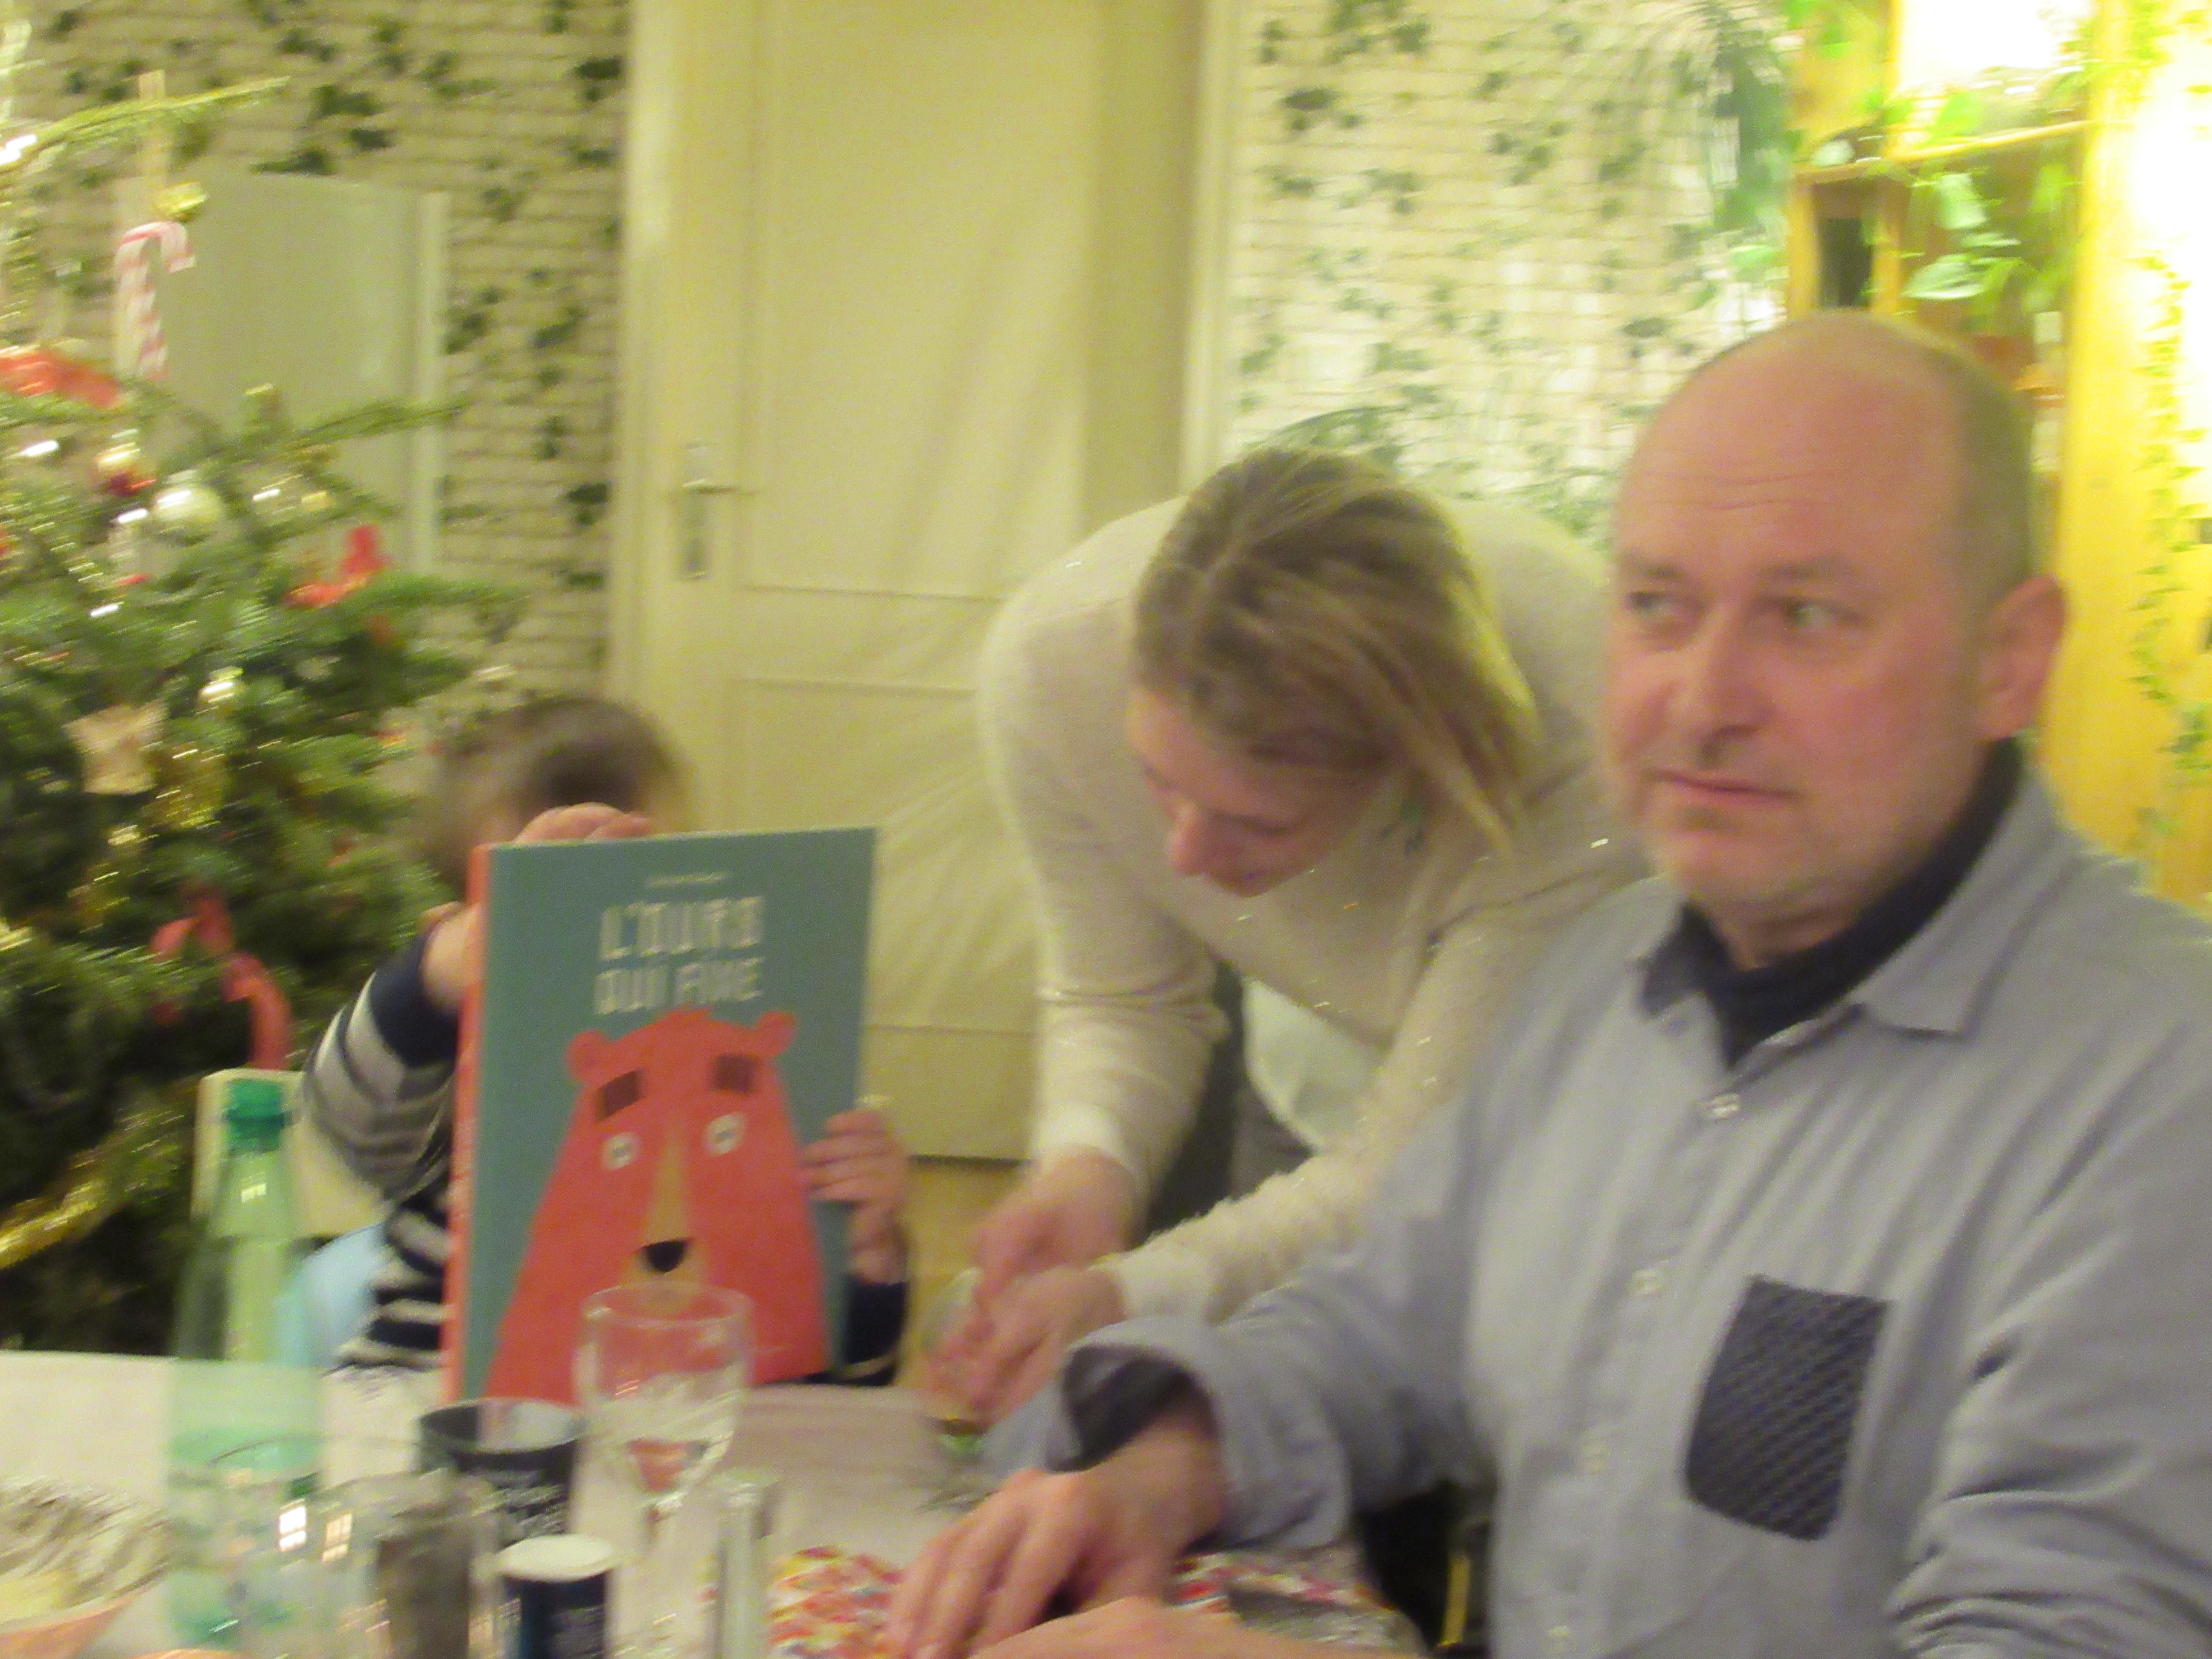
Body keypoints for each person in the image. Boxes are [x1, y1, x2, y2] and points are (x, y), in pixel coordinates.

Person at [887, 311, 2212, 1659]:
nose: (1703, 698)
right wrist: (1155, 1473)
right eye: (1658, 606)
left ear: (2009, 660)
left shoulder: (2158, 1094)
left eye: (1807, 617)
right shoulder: (1601, 980)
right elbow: (1382, 1328)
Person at [943, 448, 1639, 1421]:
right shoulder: (1050, 668)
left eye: (1257, 825)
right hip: (1307, 1064)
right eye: (1157, 782)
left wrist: (1132, 1292)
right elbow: (1122, 995)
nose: (1185, 857)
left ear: (1407, 772)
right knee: (1278, 1409)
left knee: (1469, 1422)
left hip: (1556, 1131)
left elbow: (1403, 1174)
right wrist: (1087, 1162)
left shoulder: (1590, 735)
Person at [297, 696, 911, 1379]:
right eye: (545, 916)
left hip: (683, 1424)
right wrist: (444, 973)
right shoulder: (437, 1078)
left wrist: (869, 1259)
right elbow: (341, 1116)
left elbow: (845, 1394)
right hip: (436, 1413)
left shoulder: (752, 1096)